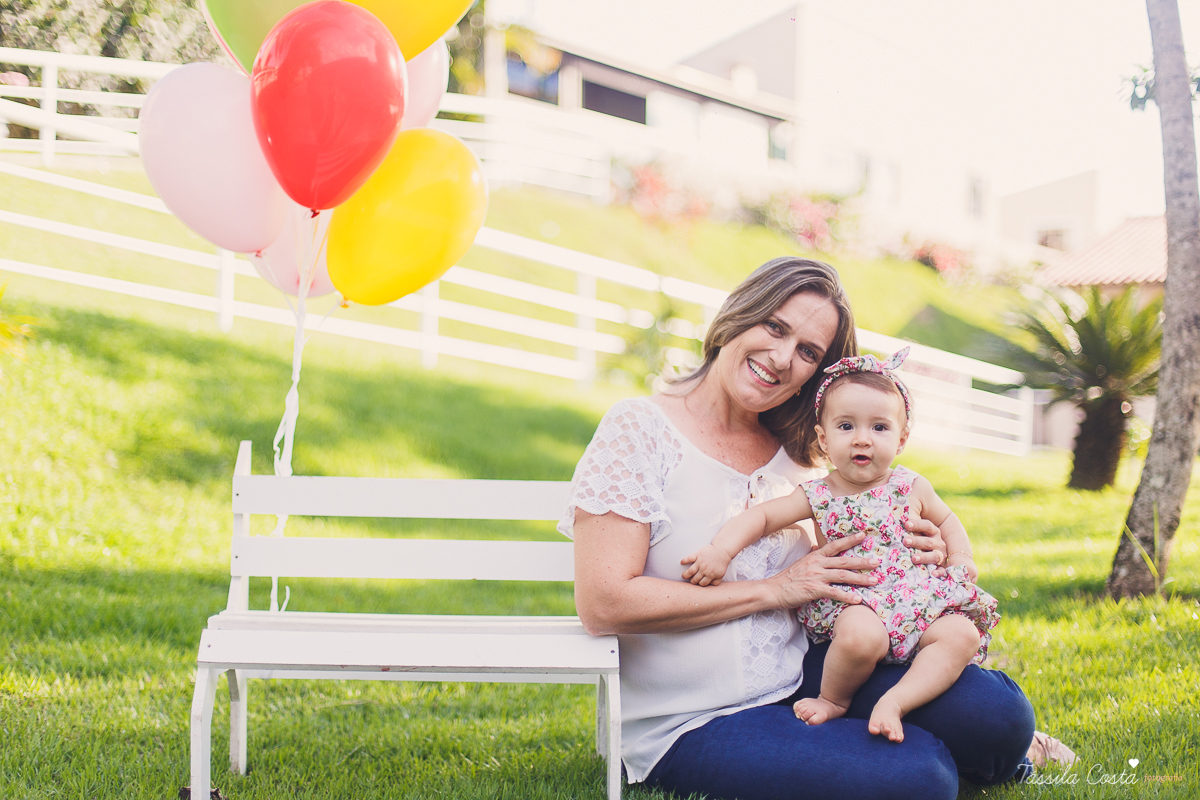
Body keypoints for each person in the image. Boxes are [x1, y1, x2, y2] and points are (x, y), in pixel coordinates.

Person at [559, 256, 1075, 800]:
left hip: (813, 673)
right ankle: (924, 757)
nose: (783, 358)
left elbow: (866, 535)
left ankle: (981, 750)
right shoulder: (639, 428)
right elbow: (604, 604)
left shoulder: (806, 453)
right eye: (774, 326)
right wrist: (775, 589)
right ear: (738, 314)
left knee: (999, 716)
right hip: (695, 716)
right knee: (921, 778)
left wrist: (928, 544)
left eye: (808, 352)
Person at [680, 346, 1000, 745]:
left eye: (879, 428)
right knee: (861, 637)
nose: (862, 439)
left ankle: (897, 701)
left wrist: (960, 556)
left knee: (963, 634)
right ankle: (834, 699)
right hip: (857, 602)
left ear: (901, 439)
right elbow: (762, 517)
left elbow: (948, 521)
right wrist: (720, 551)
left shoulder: (912, 485)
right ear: (824, 438)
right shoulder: (818, 494)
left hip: (918, 600)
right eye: (846, 426)